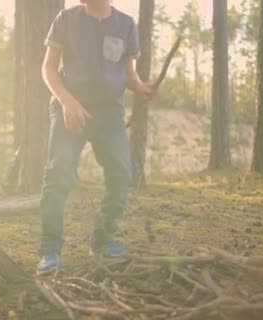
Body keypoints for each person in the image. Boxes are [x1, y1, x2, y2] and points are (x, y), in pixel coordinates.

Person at [37, 0, 156, 274]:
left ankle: (102, 242)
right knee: (57, 176)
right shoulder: (65, 19)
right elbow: (49, 68)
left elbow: (128, 74)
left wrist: (141, 88)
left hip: (109, 113)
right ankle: (50, 252)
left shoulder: (125, 24)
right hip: (70, 107)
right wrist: (67, 101)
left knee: (121, 174)